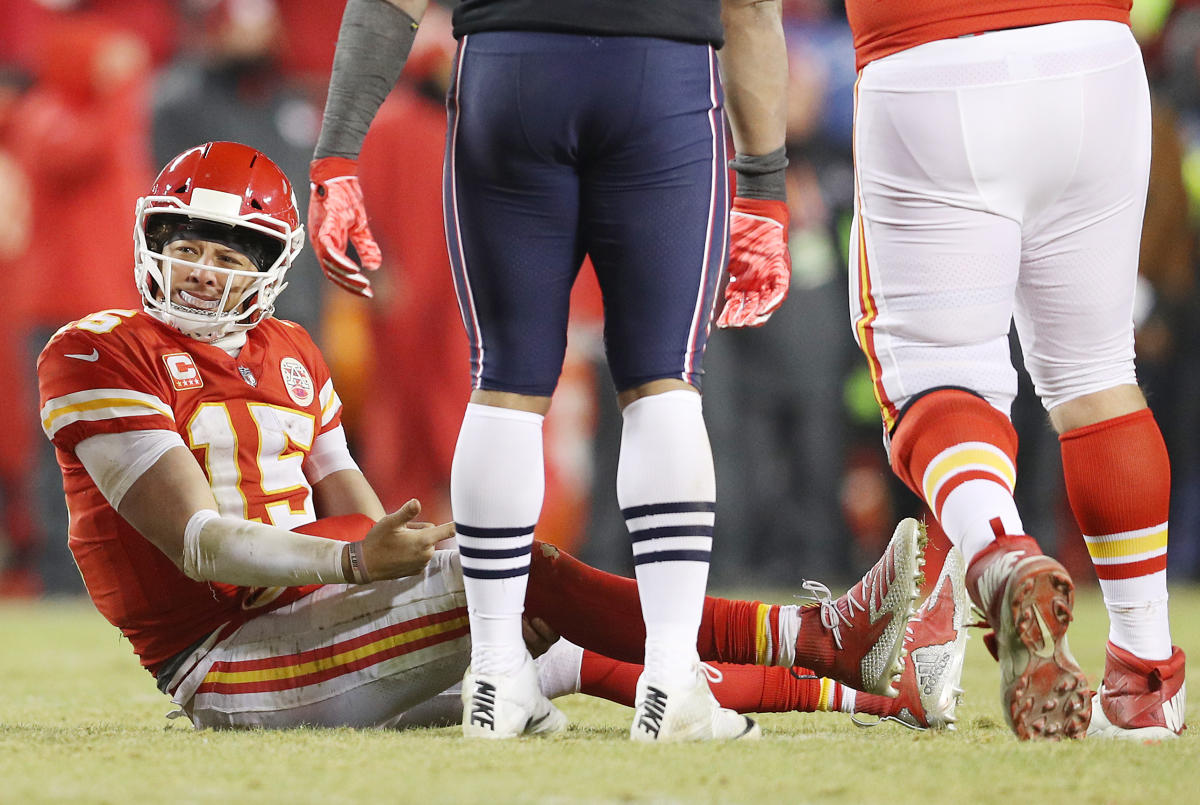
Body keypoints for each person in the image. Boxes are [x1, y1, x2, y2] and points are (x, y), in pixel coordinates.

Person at [37, 141, 966, 734]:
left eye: (228, 250)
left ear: (271, 267)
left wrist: (392, 546)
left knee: (545, 644)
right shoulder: (95, 349)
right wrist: (366, 566)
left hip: (305, 615)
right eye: (185, 241)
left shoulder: (291, 348)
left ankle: (875, 693)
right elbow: (196, 541)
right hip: (226, 657)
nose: (200, 269)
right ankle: (817, 635)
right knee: (513, 574)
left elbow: (353, 501)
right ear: (147, 238)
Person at [305, 0, 799, 741]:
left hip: (508, 67)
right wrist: (763, 183)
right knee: (663, 380)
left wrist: (338, 151)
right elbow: (752, 6)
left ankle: (497, 674)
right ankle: (670, 677)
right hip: (659, 75)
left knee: (503, 379)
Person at [756, 4, 1184, 740]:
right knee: (1098, 379)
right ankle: (1145, 677)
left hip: (931, 58)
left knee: (938, 378)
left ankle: (996, 553)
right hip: (1097, 59)